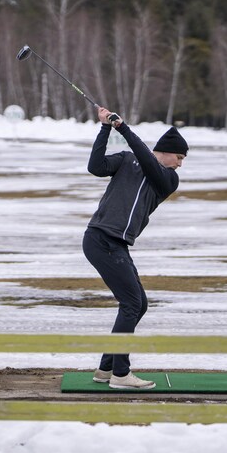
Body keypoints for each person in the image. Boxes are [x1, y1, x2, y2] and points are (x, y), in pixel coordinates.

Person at [85, 107, 187, 389]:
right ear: (165, 152)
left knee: (139, 304)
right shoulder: (126, 160)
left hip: (116, 244)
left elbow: (147, 161)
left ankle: (106, 368)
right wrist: (106, 128)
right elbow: (95, 167)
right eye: (178, 157)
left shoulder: (168, 179)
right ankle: (121, 374)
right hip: (100, 238)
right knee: (131, 303)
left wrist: (124, 129)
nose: (180, 164)